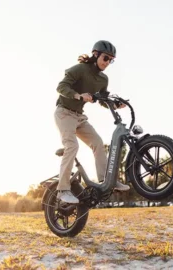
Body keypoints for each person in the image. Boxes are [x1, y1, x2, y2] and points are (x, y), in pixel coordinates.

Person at [54, 40, 130, 204]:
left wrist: (116, 105)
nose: (107, 62)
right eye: (105, 58)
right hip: (64, 113)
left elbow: (102, 100)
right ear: (95, 55)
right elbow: (61, 87)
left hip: (79, 116)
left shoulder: (103, 79)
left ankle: (106, 181)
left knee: (97, 143)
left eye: (111, 60)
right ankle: (63, 190)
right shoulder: (80, 69)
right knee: (72, 146)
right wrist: (78, 96)